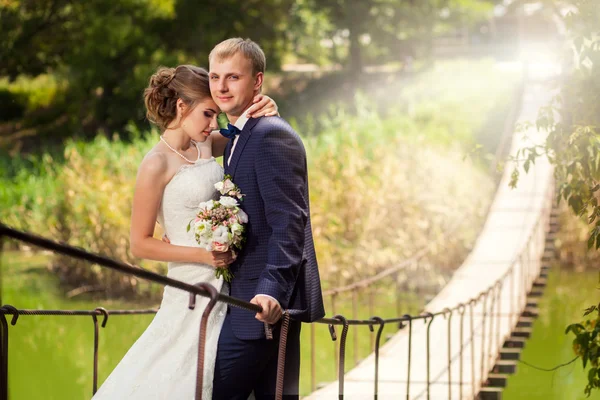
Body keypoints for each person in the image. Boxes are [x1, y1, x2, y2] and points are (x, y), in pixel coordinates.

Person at [92, 64, 279, 399]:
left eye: (216, 116)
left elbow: (245, 129)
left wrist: (266, 108)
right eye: (208, 114)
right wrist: (203, 255)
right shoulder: (156, 163)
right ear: (182, 106)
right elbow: (139, 243)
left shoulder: (204, 144)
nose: (213, 125)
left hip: (229, 283)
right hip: (189, 283)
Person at [209, 38, 325, 399]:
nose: (221, 87)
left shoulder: (271, 135)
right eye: (214, 77)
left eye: (233, 77)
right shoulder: (236, 137)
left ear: (257, 82)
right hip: (238, 302)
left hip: (262, 308)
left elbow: (289, 224)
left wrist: (270, 291)